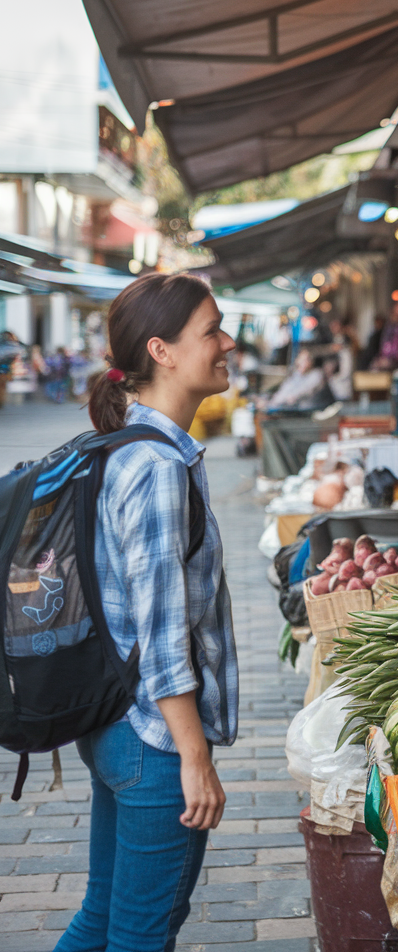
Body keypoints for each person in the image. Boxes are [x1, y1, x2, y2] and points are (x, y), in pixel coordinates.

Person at [57, 273, 238, 952]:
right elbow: (163, 635)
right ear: (161, 351)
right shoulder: (158, 467)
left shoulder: (123, 445)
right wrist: (195, 756)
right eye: (212, 331)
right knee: (140, 935)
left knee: (102, 920)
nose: (227, 344)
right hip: (154, 740)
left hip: (114, 724)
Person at [259, 347, 331, 411]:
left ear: (312, 362)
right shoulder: (296, 375)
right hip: (285, 408)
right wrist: (268, 402)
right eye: (301, 359)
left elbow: (298, 394)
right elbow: (283, 391)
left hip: (305, 412)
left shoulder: (316, 375)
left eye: (307, 360)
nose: (304, 362)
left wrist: (271, 404)